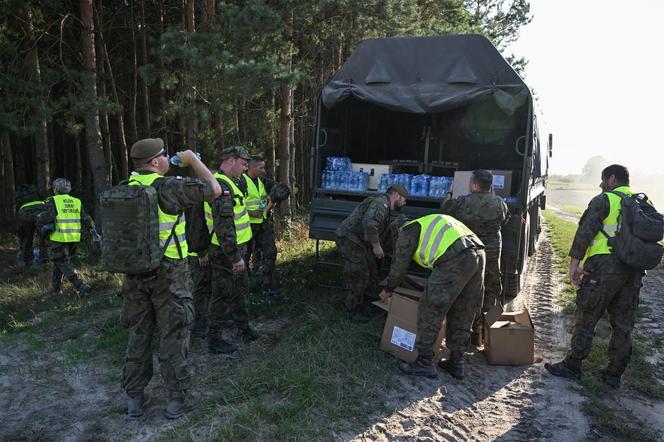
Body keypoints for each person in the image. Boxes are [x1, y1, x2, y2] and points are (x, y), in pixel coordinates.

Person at [121, 138, 221, 419]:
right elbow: (214, 189)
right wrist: (192, 160)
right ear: (155, 162)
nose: (168, 158)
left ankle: (134, 399)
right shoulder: (167, 187)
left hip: (134, 273)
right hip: (169, 274)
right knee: (174, 334)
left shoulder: (123, 188)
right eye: (164, 155)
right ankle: (178, 399)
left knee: (139, 334)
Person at [545, 164, 647, 389]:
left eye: (603, 180)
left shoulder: (604, 200)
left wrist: (574, 265)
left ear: (611, 178)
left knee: (587, 316)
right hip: (633, 270)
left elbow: (584, 233)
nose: (601, 184)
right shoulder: (642, 202)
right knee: (623, 324)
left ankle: (572, 366)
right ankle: (613, 375)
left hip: (603, 267)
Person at [379, 214, 485, 380]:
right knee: (463, 309)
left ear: (397, 231)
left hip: (456, 258)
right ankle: (456, 362)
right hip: (478, 252)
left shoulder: (407, 231)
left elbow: (399, 268)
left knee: (431, 308)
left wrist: (388, 289)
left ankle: (424, 362)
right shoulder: (427, 222)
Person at [441, 169, 508, 345]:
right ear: (490, 186)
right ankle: (480, 333)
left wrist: (449, 192)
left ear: (475, 185)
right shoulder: (499, 203)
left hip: (469, 252)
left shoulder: (463, 202)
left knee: (467, 291)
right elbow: (504, 220)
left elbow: (445, 209)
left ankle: (461, 330)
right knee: (489, 289)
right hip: (492, 254)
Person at [206, 146, 258, 355]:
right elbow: (224, 227)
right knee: (222, 294)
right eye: (244, 164)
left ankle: (242, 329)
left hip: (235, 250)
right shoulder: (221, 186)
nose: (245, 169)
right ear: (231, 160)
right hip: (226, 253)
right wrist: (235, 256)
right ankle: (214, 340)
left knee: (239, 290)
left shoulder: (229, 183)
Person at [335, 184, 408, 322]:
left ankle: (370, 303)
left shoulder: (384, 205)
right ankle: (352, 310)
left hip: (358, 241)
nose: (405, 203)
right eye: (404, 199)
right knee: (359, 273)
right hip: (349, 239)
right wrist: (376, 246)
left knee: (372, 270)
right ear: (396, 195)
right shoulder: (381, 204)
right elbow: (369, 224)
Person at [37, 178, 94, 296]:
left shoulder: (52, 200)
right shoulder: (76, 201)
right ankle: (56, 290)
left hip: (59, 237)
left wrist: (39, 218)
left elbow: (47, 217)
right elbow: (86, 218)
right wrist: (93, 230)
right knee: (59, 263)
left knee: (62, 262)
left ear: (55, 189)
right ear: (69, 189)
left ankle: (80, 285)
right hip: (73, 237)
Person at [243, 156, 279, 295]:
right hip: (246, 226)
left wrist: (266, 208)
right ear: (251, 168)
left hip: (262, 224)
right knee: (244, 257)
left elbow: (264, 199)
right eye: (261, 168)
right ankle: (245, 287)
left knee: (270, 252)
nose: (264, 171)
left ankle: (267, 284)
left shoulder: (260, 182)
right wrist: (252, 213)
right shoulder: (241, 182)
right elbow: (237, 205)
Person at [15, 184, 45, 268]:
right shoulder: (37, 193)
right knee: (44, 237)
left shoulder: (19, 195)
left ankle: (26, 262)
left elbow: (20, 230)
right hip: (41, 210)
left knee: (26, 238)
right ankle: (44, 261)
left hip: (24, 212)